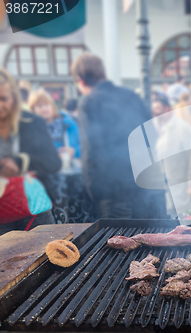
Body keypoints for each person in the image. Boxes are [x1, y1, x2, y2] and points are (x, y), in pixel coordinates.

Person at [71, 52, 166, 219]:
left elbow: (92, 151)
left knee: (119, 240)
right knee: (149, 238)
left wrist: (93, 192)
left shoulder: (89, 102)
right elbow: (151, 135)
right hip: (146, 184)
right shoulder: (131, 95)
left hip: (114, 190)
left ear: (80, 79)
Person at [0, 69, 61, 235]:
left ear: (14, 98)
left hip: (35, 209)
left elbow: (53, 162)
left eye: (3, 99)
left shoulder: (32, 121)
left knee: (44, 254)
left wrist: (20, 161)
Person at [28, 89, 80, 159]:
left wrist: (74, 151)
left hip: (69, 167)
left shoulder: (69, 124)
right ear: (33, 110)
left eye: (47, 104)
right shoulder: (31, 128)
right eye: (39, 106)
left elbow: (87, 148)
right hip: (43, 168)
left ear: (52, 106)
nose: (44, 109)